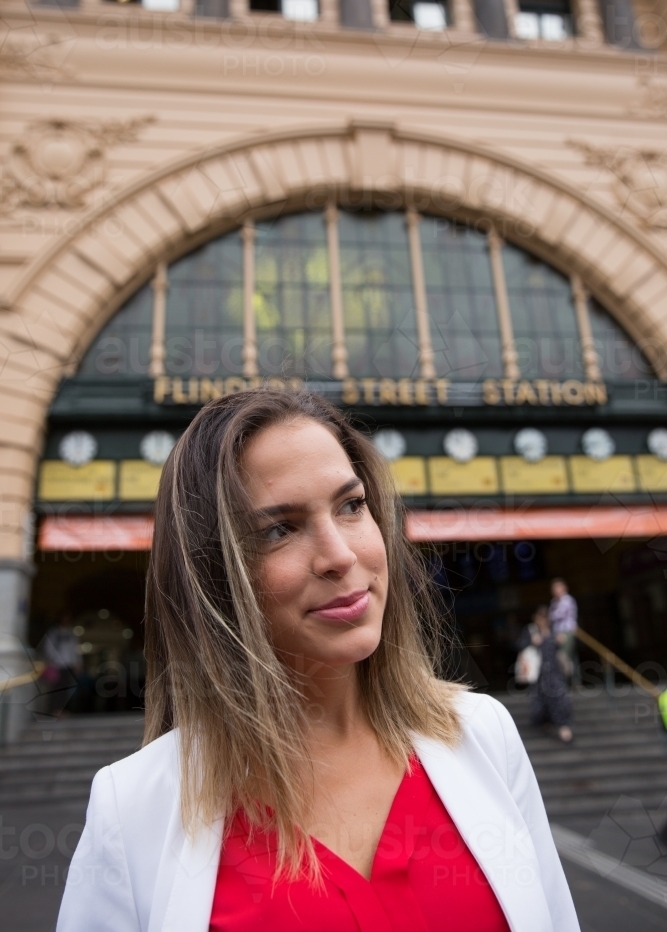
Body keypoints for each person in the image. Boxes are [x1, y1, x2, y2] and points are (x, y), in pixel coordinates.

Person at [57, 389, 579, 932]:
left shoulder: (483, 734)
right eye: (280, 529)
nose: (339, 555)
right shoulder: (133, 808)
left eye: (351, 506)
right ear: (212, 577)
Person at [520, 606, 573, 744]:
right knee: (540, 700)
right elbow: (519, 645)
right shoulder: (530, 631)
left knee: (559, 696)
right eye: (541, 617)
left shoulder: (554, 631)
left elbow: (562, 649)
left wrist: (561, 642)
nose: (544, 620)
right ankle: (546, 722)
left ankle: (563, 726)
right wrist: (532, 642)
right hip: (538, 673)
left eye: (546, 617)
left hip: (554, 671)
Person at [40, 612, 82, 716]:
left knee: (66, 688)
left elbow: (75, 649)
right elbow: (48, 648)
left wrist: (78, 662)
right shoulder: (54, 633)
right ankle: (54, 710)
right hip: (57, 665)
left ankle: (62, 709)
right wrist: (54, 660)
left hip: (68, 665)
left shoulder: (71, 634)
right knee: (56, 689)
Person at [549, 577, 578, 678]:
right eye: (553, 588)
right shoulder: (554, 602)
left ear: (564, 588)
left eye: (557, 587)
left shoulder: (567, 600)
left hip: (567, 631)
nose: (555, 590)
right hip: (556, 632)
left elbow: (558, 615)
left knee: (563, 656)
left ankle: (570, 678)